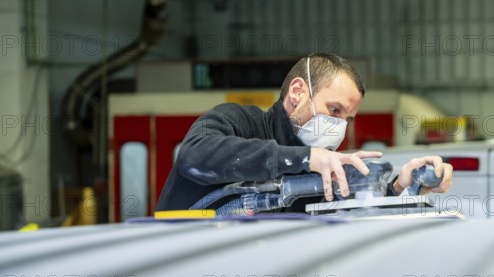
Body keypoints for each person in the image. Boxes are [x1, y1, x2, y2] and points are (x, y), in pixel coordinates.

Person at [156, 53, 453, 212]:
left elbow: (349, 214)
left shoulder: (319, 170)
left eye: (348, 119)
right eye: (334, 110)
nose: (339, 127)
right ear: (298, 92)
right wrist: (304, 158)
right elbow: (195, 156)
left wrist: (399, 188)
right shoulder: (237, 119)